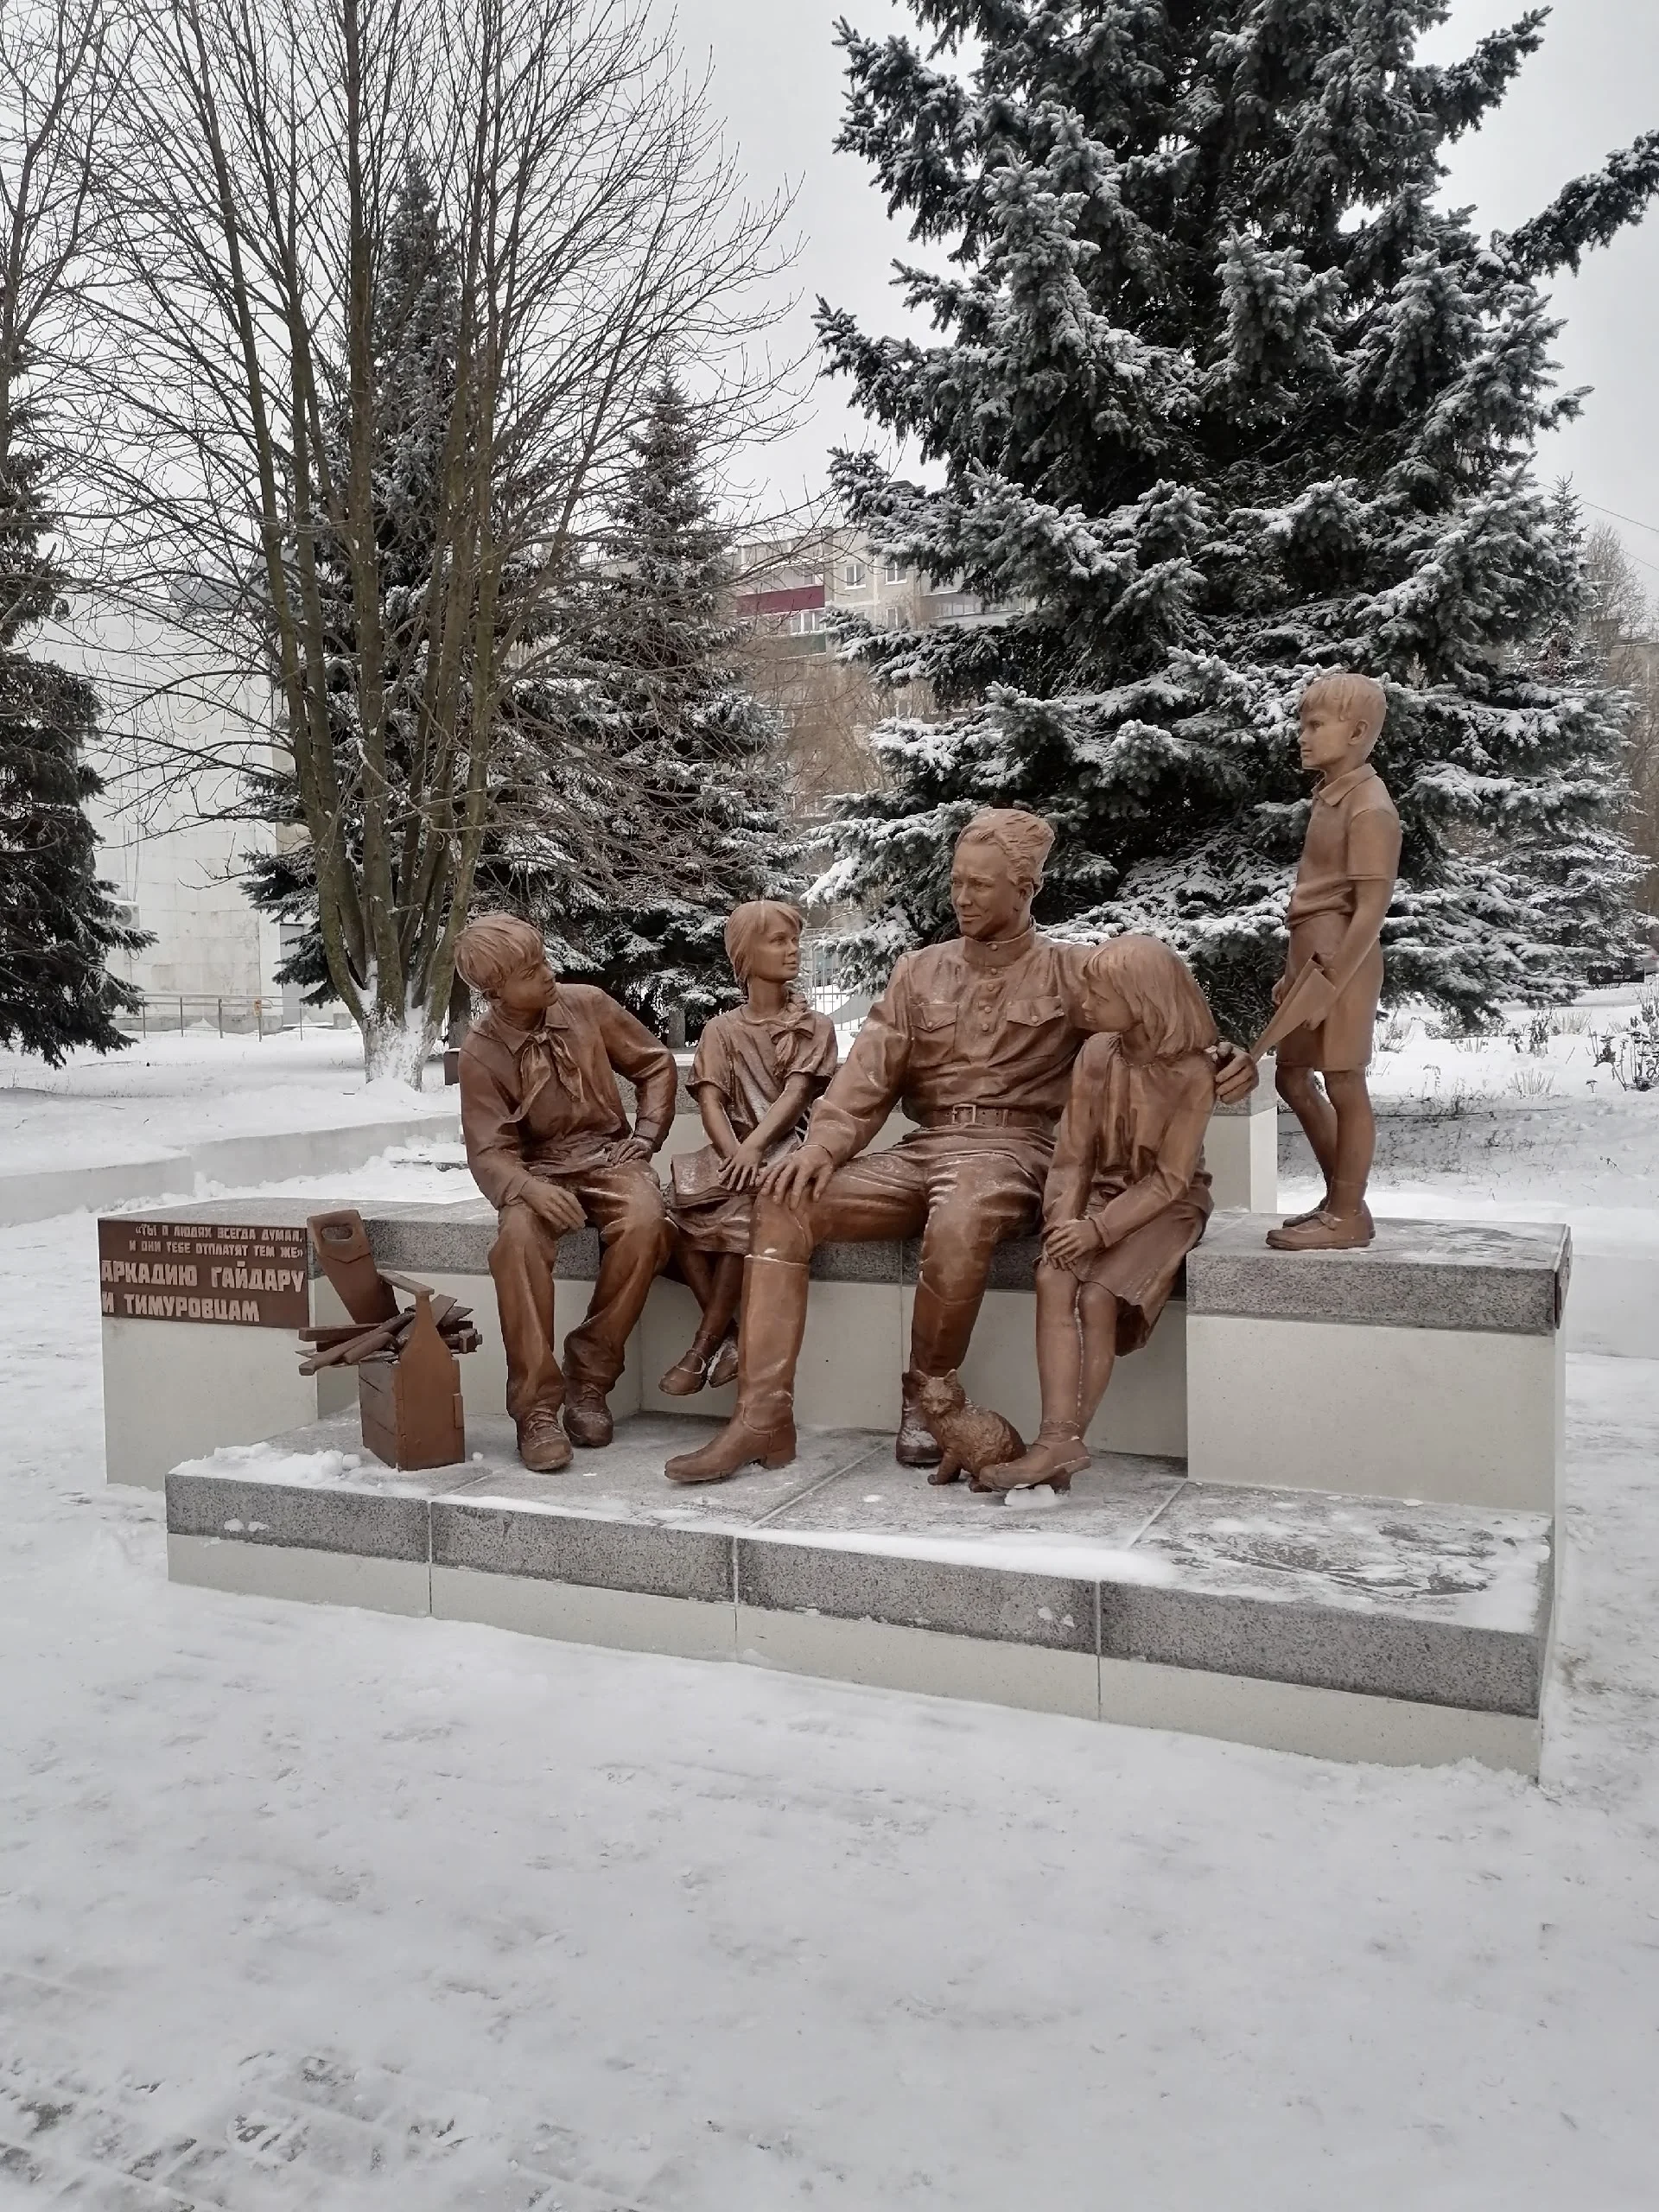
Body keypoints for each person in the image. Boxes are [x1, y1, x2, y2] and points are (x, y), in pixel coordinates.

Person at [664, 807, 1097, 1485]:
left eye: (980, 885)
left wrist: (1214, 1059)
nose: (962, 897)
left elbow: (1150, 1040)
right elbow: (865, 1079)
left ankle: (928, 1394)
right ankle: (762, 1417)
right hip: (926, 1147)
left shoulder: (1075, 971)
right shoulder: (919, 972)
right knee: (785, 1197)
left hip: (1013, 1150)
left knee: (960, 1217)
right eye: (956, 882)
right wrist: (820, 1150)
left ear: (1026, 889)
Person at [983, 935, 1217, 1491]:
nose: (1083, 1003)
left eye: (1098, 994)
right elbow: (1073, 1154)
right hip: (1097, 1198)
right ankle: (1057, 1440)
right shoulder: (1096, 1054)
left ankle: (1062, 1441)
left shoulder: (1193, 1073)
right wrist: (1064, 1223)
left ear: (1143, 998)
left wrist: (1099, 1230)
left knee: (1097, 1297)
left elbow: (1170, 1179)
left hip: (1168, 1206)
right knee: (1052, 1274)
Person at [454, 913, 675, 1472]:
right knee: (517, 1242)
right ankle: (535, 1410)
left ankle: (590, 1377)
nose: (549, 974)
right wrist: (529, 1188)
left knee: (646, 1219)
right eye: (531, 972)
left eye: (544, 960)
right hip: (535, 1170)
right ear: (494, 992)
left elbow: (654, 1064)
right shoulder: (481, 1051)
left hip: (607, 1156)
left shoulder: (588, 1005)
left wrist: (647, 1134)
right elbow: (488, 1149)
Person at [1217, 672, 1402, 1250]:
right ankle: (1342, 1202)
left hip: (1343, 963)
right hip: (1312, 958)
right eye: (1302, 723)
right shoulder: (1329, 798)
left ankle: (1347, 1213)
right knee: (1292, 1075)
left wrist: (1331, 981)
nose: (1302, 735)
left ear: (1358, 732)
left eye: (1316, 724)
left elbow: (1372, 908)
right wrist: (1293, 975)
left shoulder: (1369, 807)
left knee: (1344, 1080)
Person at [658, 901, 837, 1396]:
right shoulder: (721, 1029)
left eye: (795, 940)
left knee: (745, 1218)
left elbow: (796, 1095)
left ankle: (701, 1348)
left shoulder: (815, 1026)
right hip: (731, 1151)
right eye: (778, 940)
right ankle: (730, 1338)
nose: (793, 950)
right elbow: (710, 1100)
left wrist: (753, 1150)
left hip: (785, 1150)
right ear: (745, 953)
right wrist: (732, 1152)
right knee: (671, 1221)